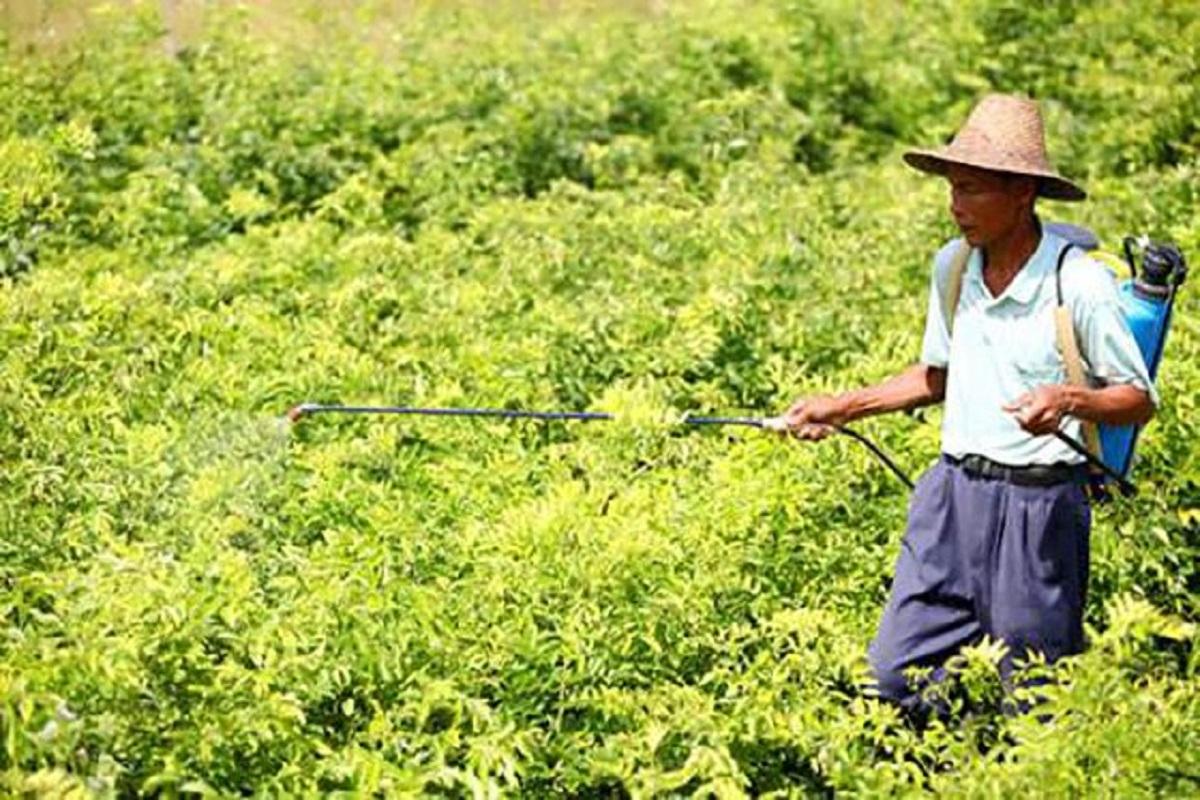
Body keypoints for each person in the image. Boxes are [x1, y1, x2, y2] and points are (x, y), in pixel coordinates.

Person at [781, 94, 1157, 714]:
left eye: (974, 190)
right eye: (953, 188)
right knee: (895, 680)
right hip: (951, 499)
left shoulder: (1078, 282)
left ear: (1022, 194)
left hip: (1040, 508)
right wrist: (840, 407)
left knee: (1034, 696)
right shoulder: (952, 267)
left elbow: (1137, 400)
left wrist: (1069, 400)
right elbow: (938, 376)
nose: (957, 206)